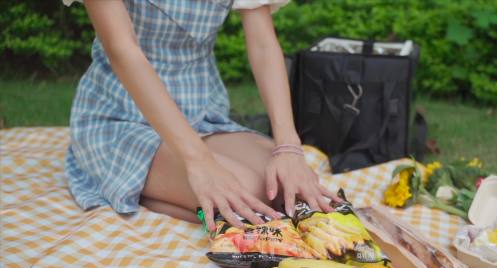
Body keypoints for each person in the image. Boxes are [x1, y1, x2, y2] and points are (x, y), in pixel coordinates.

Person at [63, 0, 338, 232]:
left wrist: (288, 146)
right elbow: (122, 50)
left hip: (201, 114)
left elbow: (264, 45)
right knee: (250, 193)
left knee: (282, 187)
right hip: (119, 115)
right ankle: (134, 188)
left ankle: (173, 189)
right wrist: (199, 162)